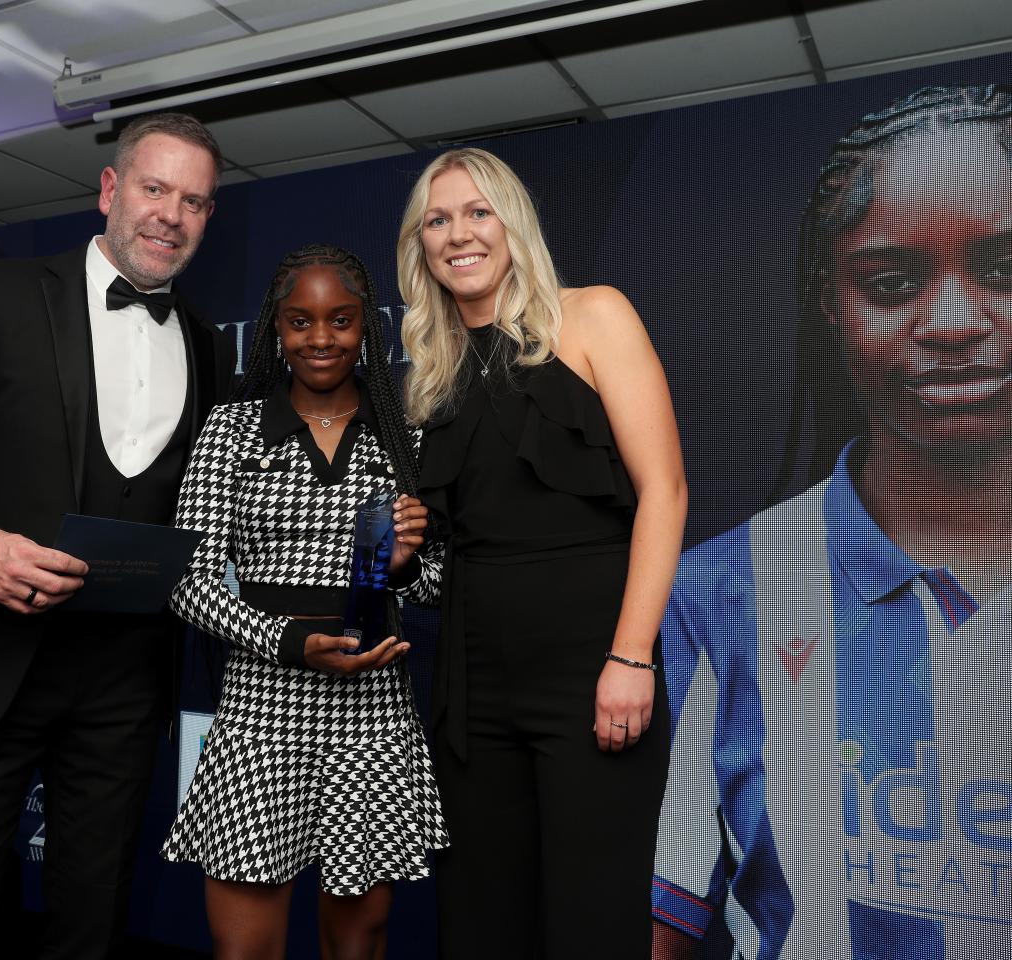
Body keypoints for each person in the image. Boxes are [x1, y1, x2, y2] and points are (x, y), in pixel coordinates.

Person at [0, 112, 236, 960]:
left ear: (208, 218)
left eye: (194, 201)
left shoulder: (211, 348)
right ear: (110, 190)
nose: (170, 214)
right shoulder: (4, 294)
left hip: (125, 685)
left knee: (92, 927)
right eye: (153, 188)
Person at [651, 84, 1012, 959]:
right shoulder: (719, 590)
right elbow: (675, 900)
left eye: (1004, 269)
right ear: (829, 301)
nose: (957, 324)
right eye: (892, 281)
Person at [396, 148, 687, 958]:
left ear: (513, 222)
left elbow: (665, 492)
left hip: (591, 666)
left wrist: (631, 657)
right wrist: (399, 550)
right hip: (472, 679)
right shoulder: (433, 369)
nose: (460, 233)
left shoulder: (593, 315)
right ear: (421, 245)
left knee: (593, 917)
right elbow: (452, 547)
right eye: (439, 219)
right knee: (483, 918)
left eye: (477, 211)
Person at [160, 244, 448, 960]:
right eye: (301, 322)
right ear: (275, 331)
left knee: (359, 941)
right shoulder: (229, 432)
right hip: (262, 710)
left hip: (372, 713)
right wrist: (288, 643)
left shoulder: (404, 436)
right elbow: (185, 583)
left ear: (366, 329)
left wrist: (403, 566)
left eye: (341, 320)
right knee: (245, 947)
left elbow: (440, 588)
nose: (321, 339)